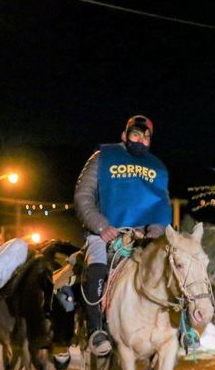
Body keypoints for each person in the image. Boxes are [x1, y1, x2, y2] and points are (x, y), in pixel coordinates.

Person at [74, 115, 172, 356]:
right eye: (135, 134)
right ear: (124, 135)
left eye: (146, 137)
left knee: (174, 266)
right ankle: (96, 331)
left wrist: (153, 232)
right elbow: (82, 196)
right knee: (96, 265)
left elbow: (162, 205)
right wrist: (101, 226)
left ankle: (183, 329)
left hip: (140, 236)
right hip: (104, 234)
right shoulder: (103, 158)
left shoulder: (156, 167)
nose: (141, 140)